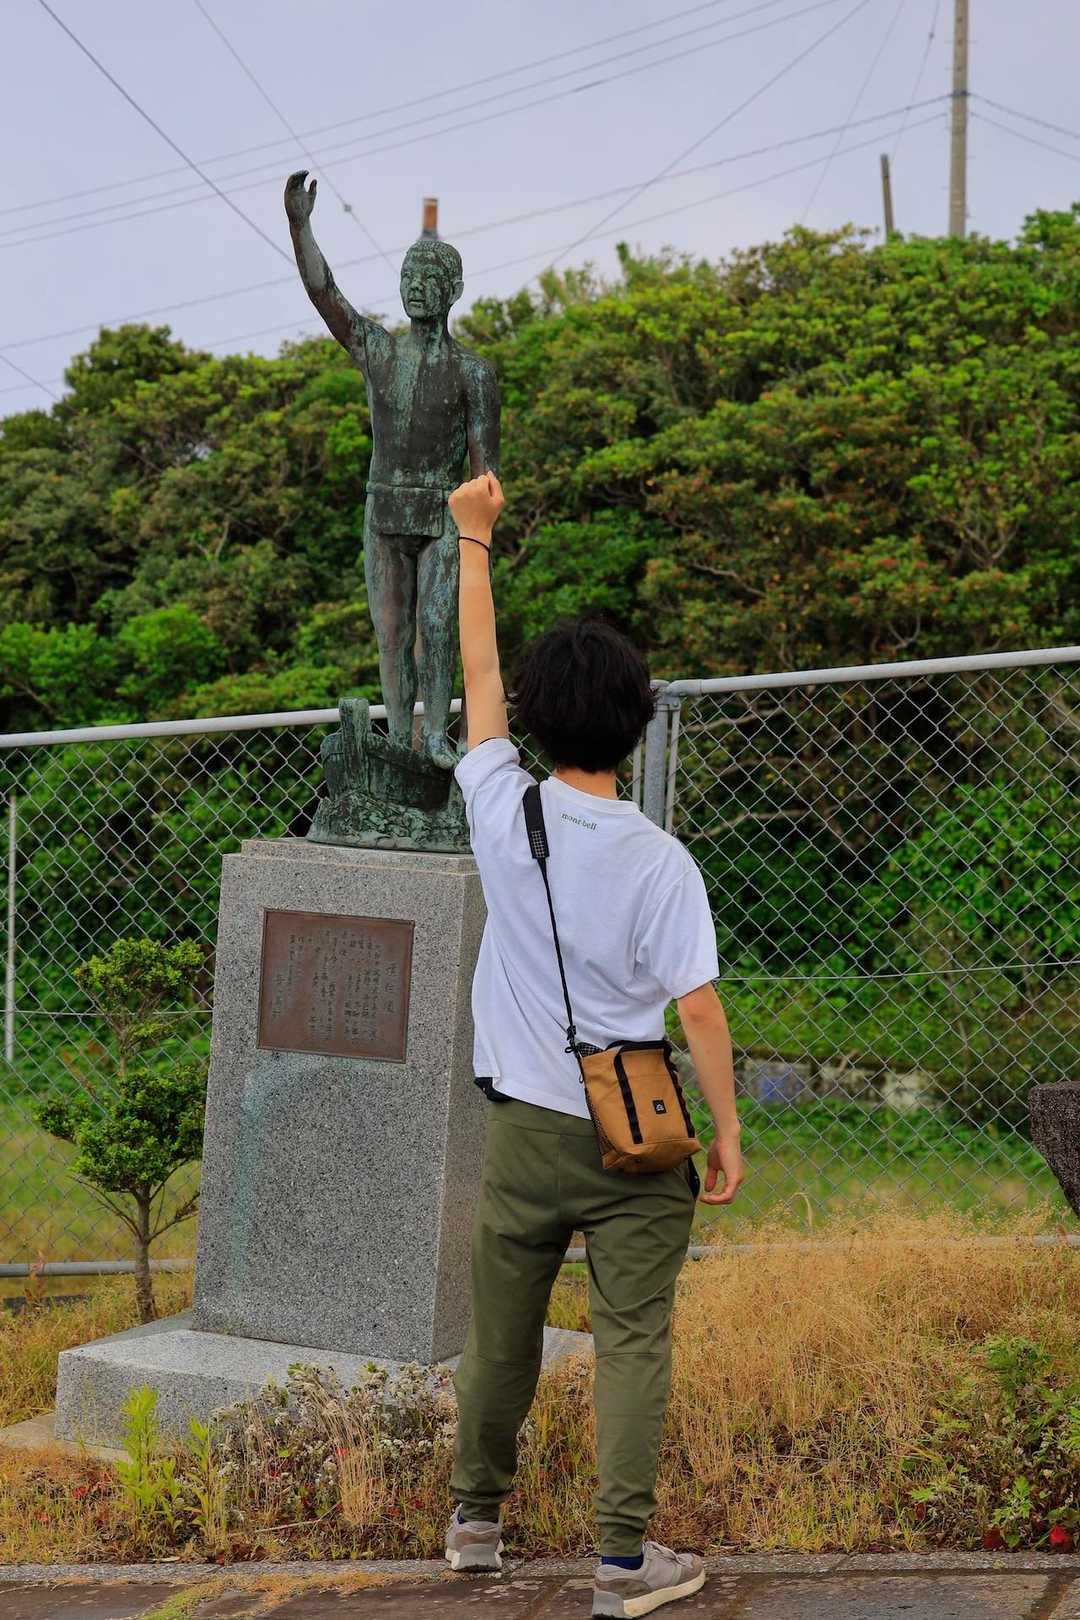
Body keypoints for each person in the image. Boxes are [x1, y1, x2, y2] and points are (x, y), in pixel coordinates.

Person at [442, 471, 744, 1618]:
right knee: (632, 1340)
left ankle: (475, 1523)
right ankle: (623, 1562)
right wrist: (727, 1132)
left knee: (500, 1334)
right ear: (638, 720)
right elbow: (699, 1012)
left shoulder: (500, 806)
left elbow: (477, 675)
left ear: (535, 720)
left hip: (523, 1128)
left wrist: (474, 539)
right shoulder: (661, 861)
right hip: (636, 1132)